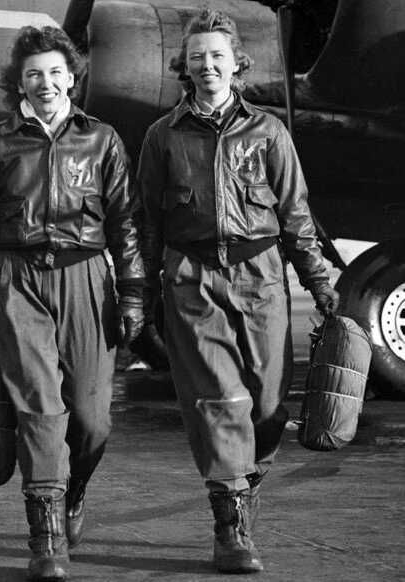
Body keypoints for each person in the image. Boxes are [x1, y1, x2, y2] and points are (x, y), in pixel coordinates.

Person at [137, 9, 340, 574]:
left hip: (262, 277)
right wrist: (139, 296)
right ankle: (230, 525)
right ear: (185, 65)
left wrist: (319, 283)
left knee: (270, 407)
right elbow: (147, 221)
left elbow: (297, 214)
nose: (207, 65)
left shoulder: (270, 131)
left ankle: (243, 485)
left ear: (236, 63)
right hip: (191, 279)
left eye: (217, 55)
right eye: (197, 56)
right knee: (220, 400)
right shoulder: (162, 137)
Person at [0, 25, 144, 582]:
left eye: (56, 72)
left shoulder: (102, 139)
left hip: (86, 275)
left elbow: (125, 223)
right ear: (19, 82)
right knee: (40, 409)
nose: (45, 82)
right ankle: (46, 537)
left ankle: (74, 488)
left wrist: (132, 293)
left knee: (91, 420)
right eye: (34, 73)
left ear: (71, 78)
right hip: (17, 280)